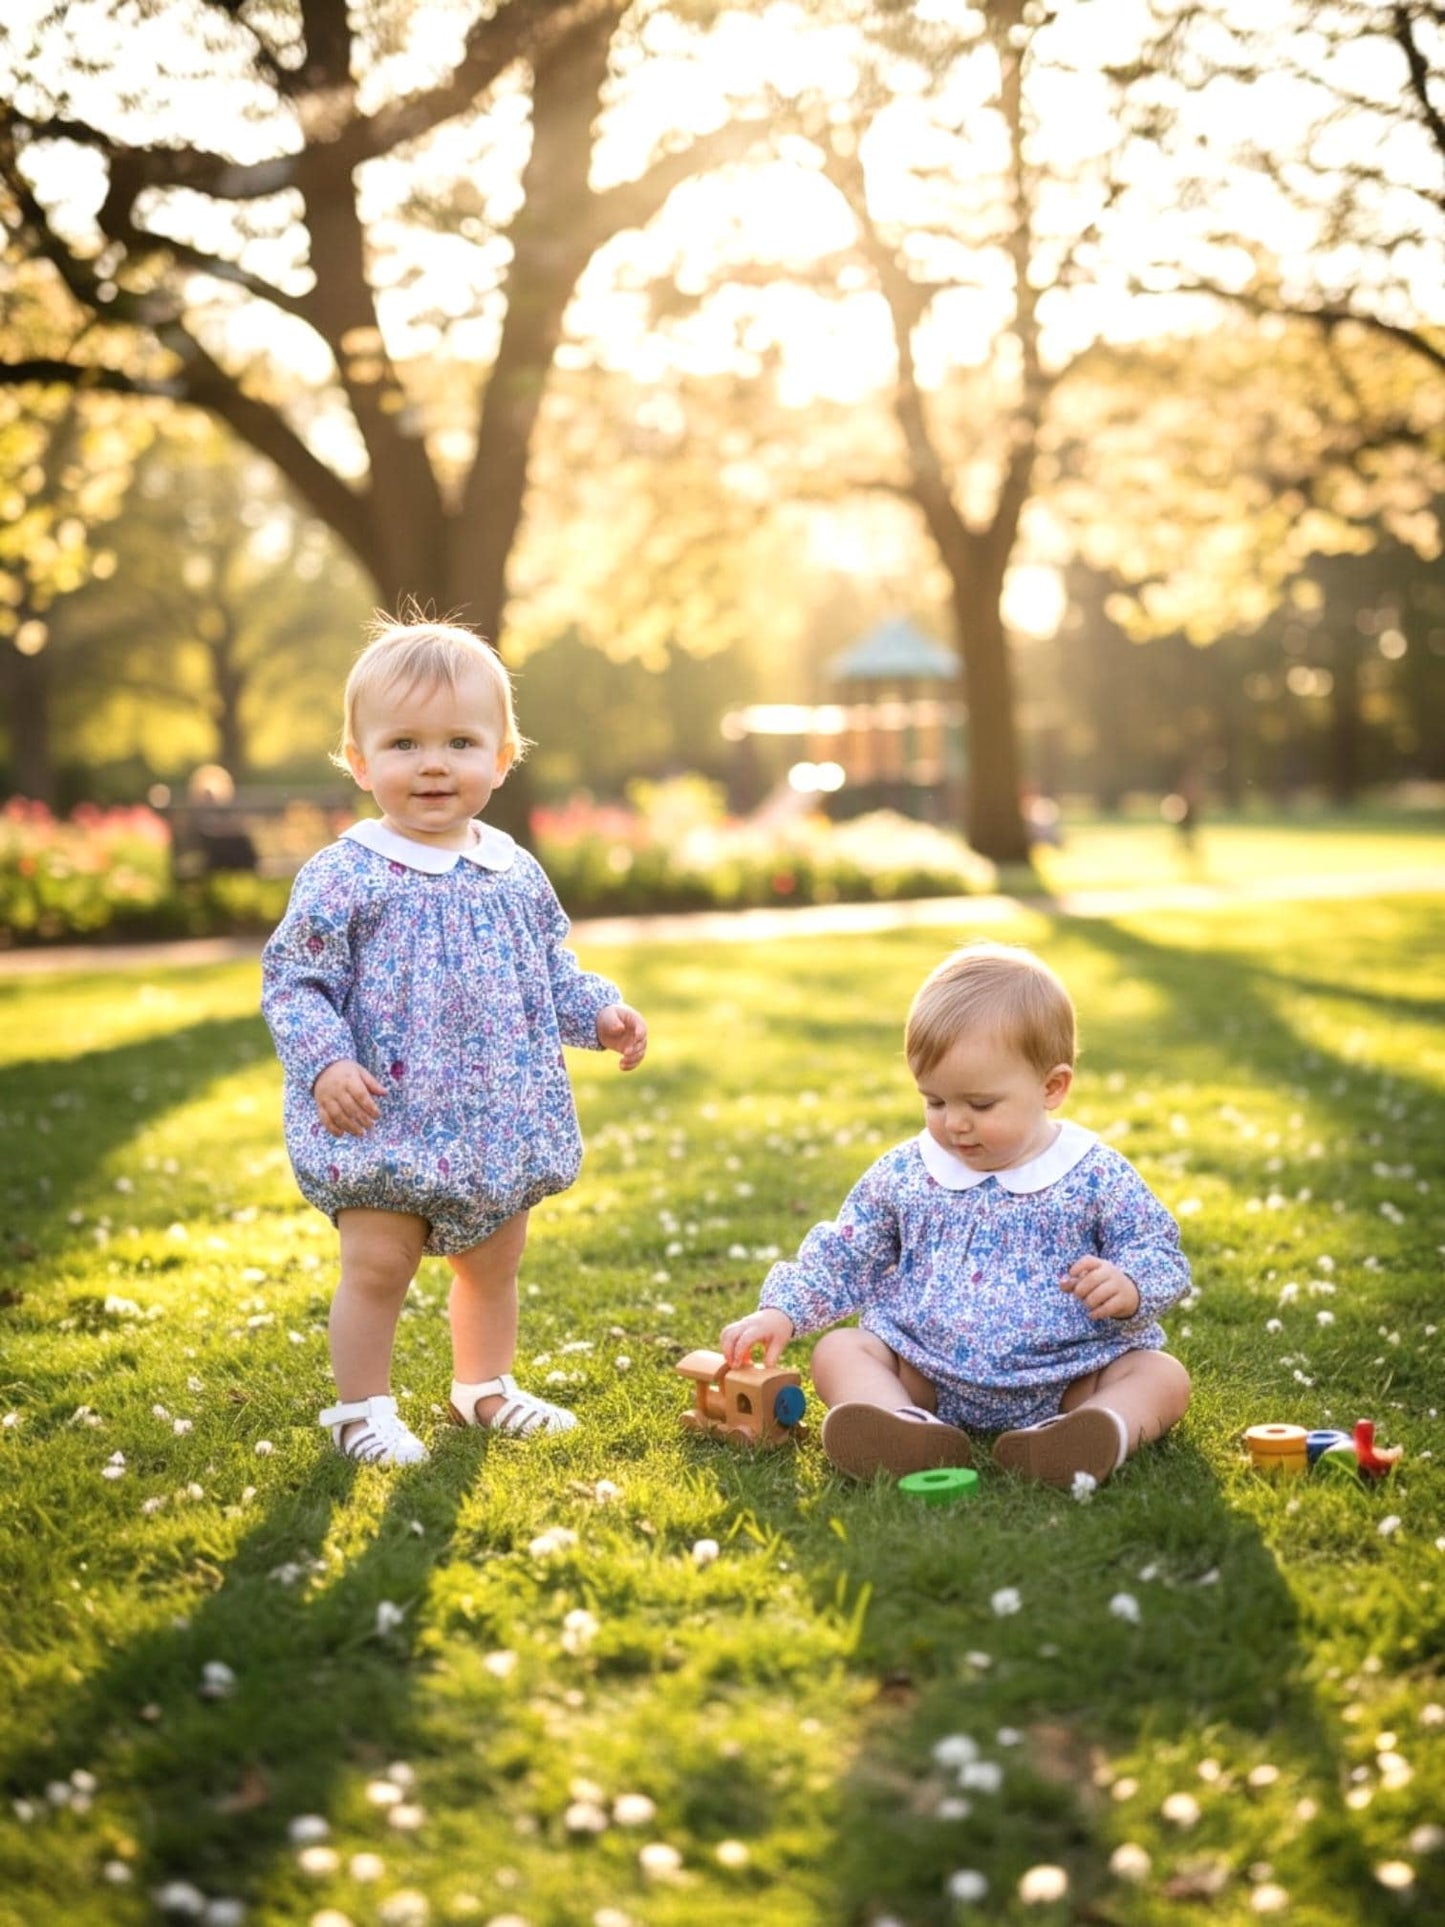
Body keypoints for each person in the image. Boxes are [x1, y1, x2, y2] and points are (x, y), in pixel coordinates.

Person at [261, 614, 647, 1466]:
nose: (432, 763)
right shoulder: (345, 873)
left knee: (494, 1258)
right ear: (360, 761)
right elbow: (296, 980)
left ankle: (483, 1386)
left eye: (459, 742)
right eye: (403, 742)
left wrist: (599, 1013)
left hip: (495, 1121)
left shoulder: (513, 869)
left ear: (501, 757)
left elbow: (547, 971)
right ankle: (361, 1407)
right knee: (378, 1262)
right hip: (385, 1116)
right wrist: (325, 1059)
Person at [718, 942, 1190, 1487]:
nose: (955, 1124)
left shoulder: (1093, 1172)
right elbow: (846, 1250)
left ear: (1052, 1087)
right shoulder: (907, 1172)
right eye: (935, 1102)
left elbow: (1156, 1248)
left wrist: (1130, 1283)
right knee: (841, 1349)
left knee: (1160, 1375)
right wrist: (784, 1311)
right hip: (929, 1372)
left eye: (981, 1105)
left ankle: (1088, 1431)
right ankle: (901, 1427)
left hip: (1067, 1372)